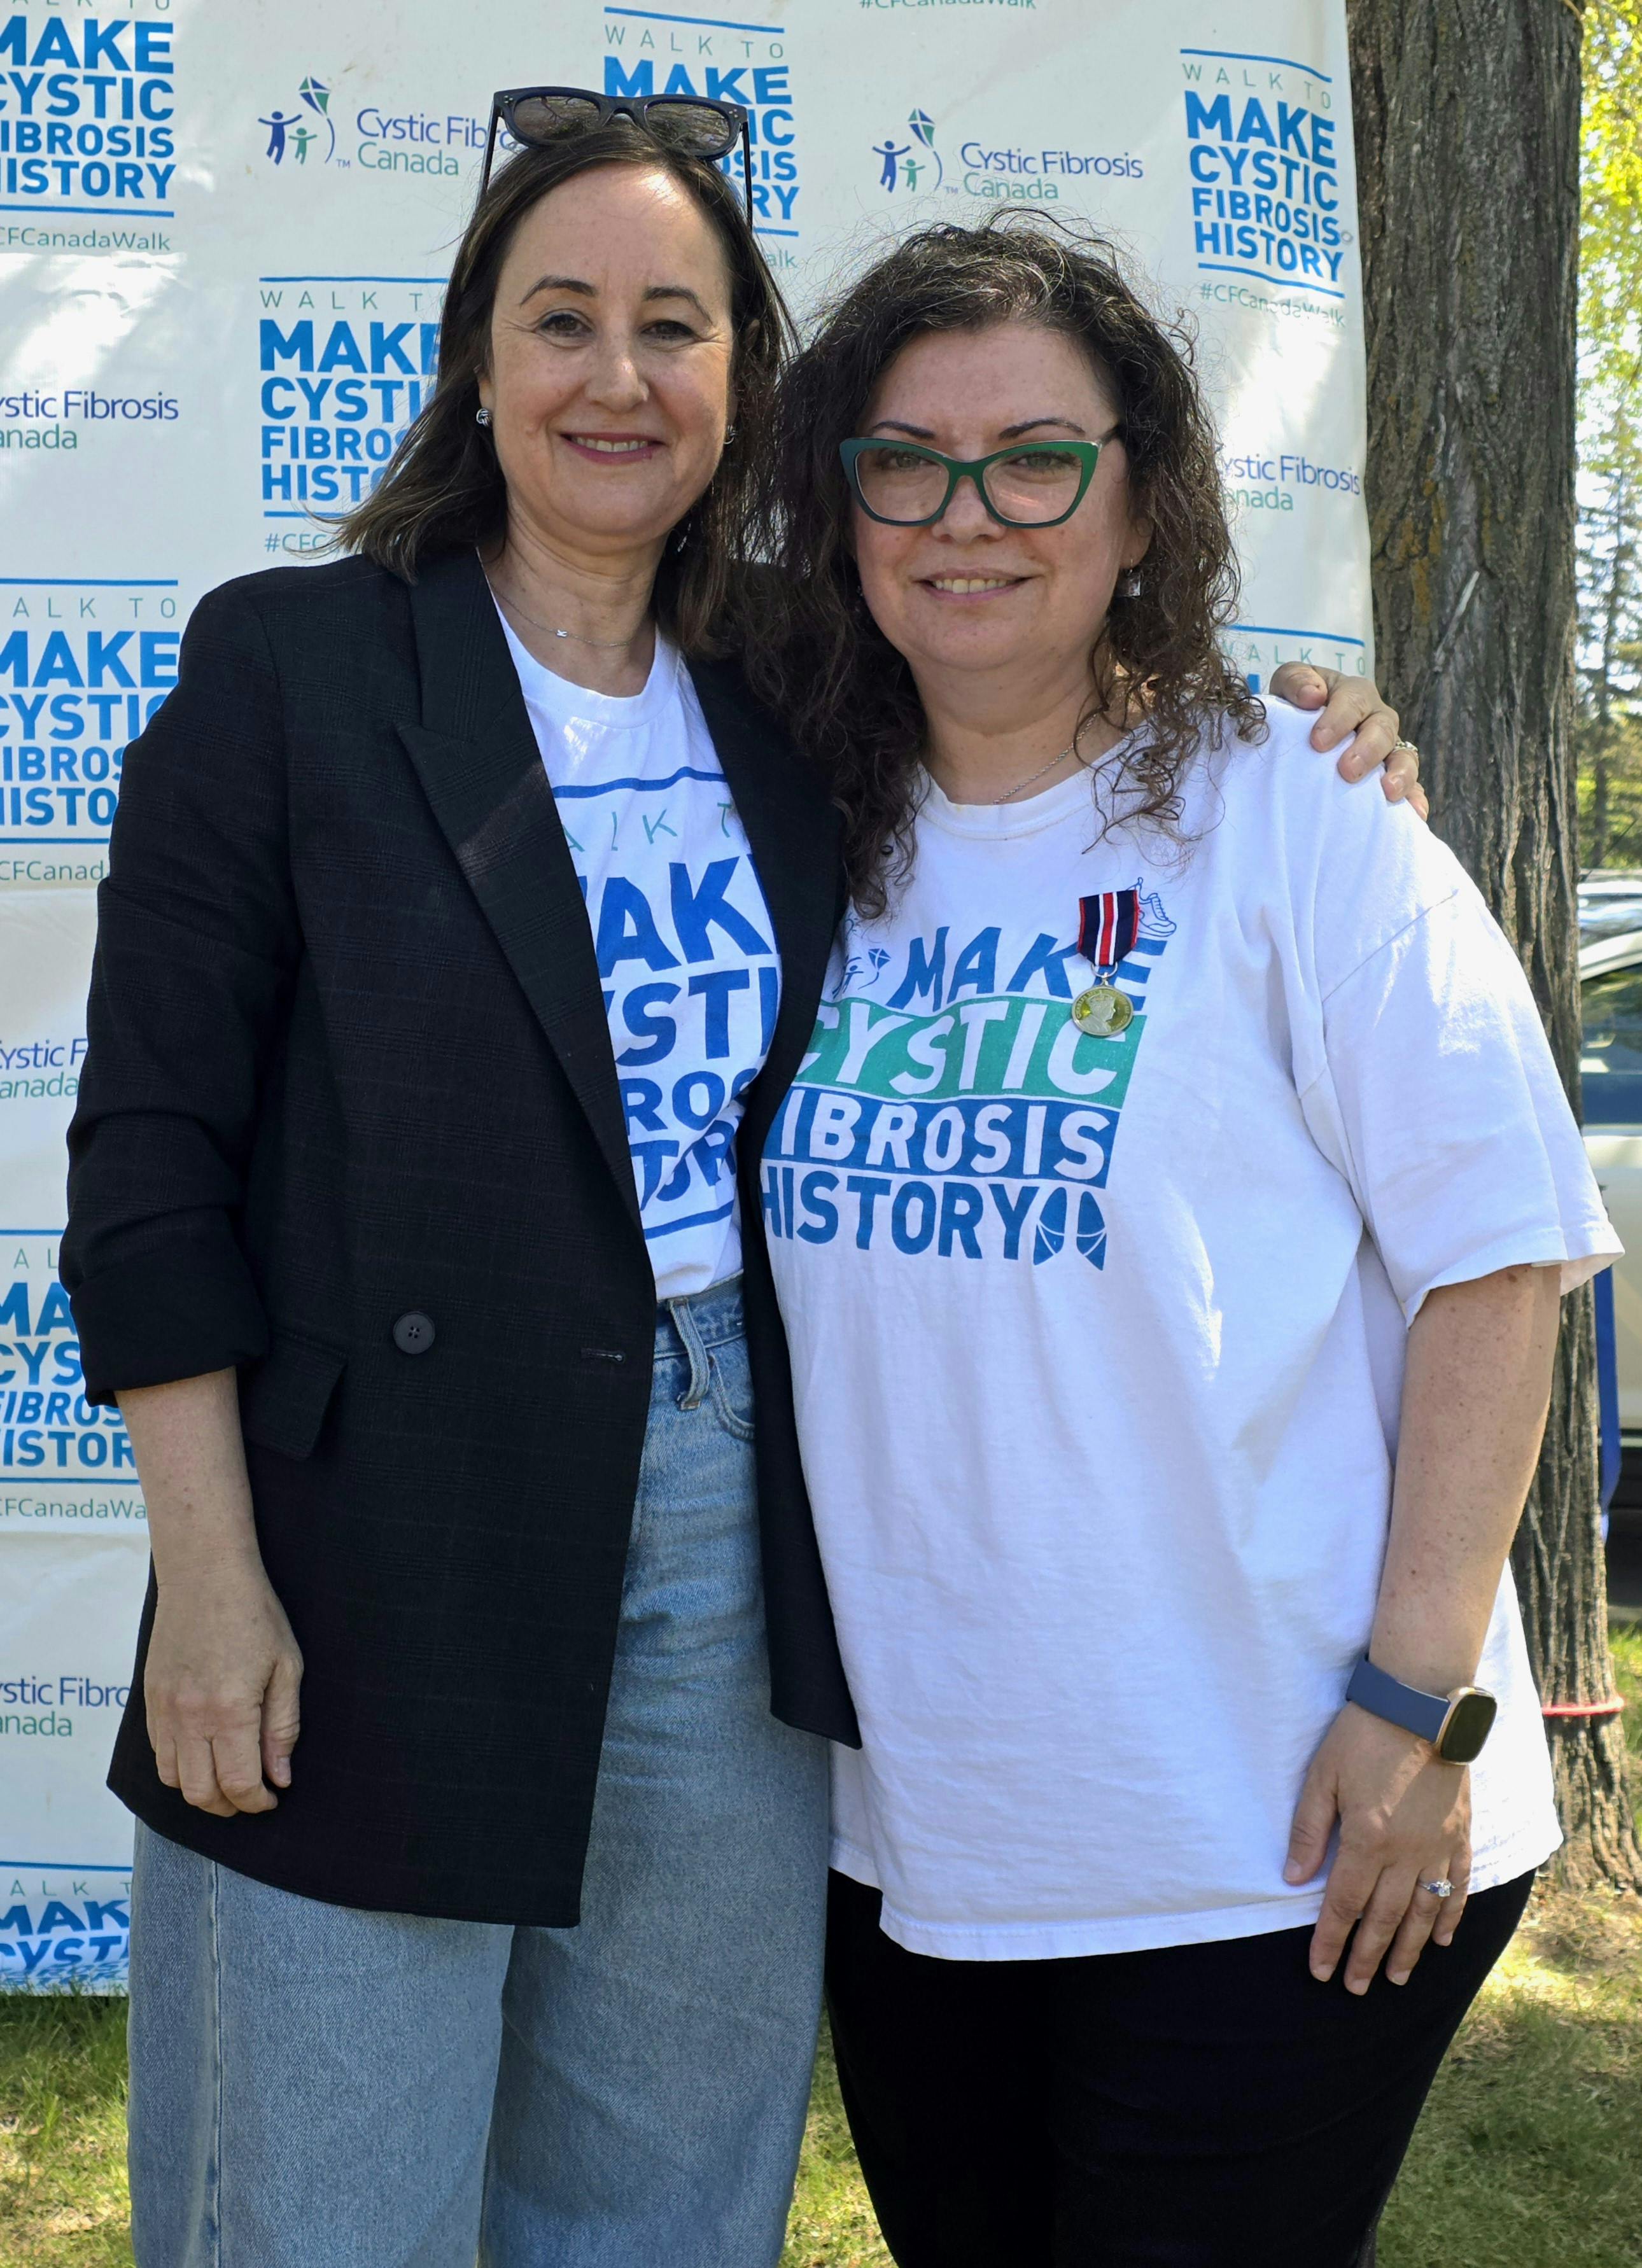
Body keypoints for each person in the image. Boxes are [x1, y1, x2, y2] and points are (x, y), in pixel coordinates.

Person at [62, 95, 1410, 2266]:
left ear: (742, 376)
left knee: (665, 2190)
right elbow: (148, 1156)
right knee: (322, 2198)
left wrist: (1307, 727)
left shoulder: (801, 679)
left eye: (673, 325)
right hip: (370, 1518)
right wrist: (207, 1579)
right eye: (560, 320)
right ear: (475, 359)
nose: (618, 376)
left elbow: (1048, 692)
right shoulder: (294, 664)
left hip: (744, 1507)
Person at [743, 216, 1613, 2267]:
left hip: (1282, 1820)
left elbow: (1499, 1260)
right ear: (842, 511)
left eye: (1035, 458)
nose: (967, 514)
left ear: (1141, 504)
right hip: (926, 1839)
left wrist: (1416, 1705)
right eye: (904, 462)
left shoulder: (1300, 813)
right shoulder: (793, 828)